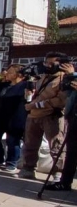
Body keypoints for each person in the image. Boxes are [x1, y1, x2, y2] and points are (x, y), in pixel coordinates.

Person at [21, 52, 70, 181]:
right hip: (34, 115)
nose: (48, 66)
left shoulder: (64, 79)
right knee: (30, 144)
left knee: (56, 145)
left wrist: (36, 105)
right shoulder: (43, 77)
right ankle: (28, 168)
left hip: (52, 115)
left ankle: (58, 172)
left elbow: (61, 100)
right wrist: (31, 96)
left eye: (51, 63)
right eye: (46, 63)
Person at [0, 64, 30, 174]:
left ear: (19, 75)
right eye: (7, 71)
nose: (7, 73)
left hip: (15, 118)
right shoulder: (3, 85)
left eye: (10, 72)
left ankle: (12, 162)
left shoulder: (25, 86)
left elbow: (28, 99)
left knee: (12, 141)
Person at [45, 63, 76, 191]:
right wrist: (69, 78)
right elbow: (67, 91)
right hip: (74, 116)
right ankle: (65, 182)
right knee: (72, 152)